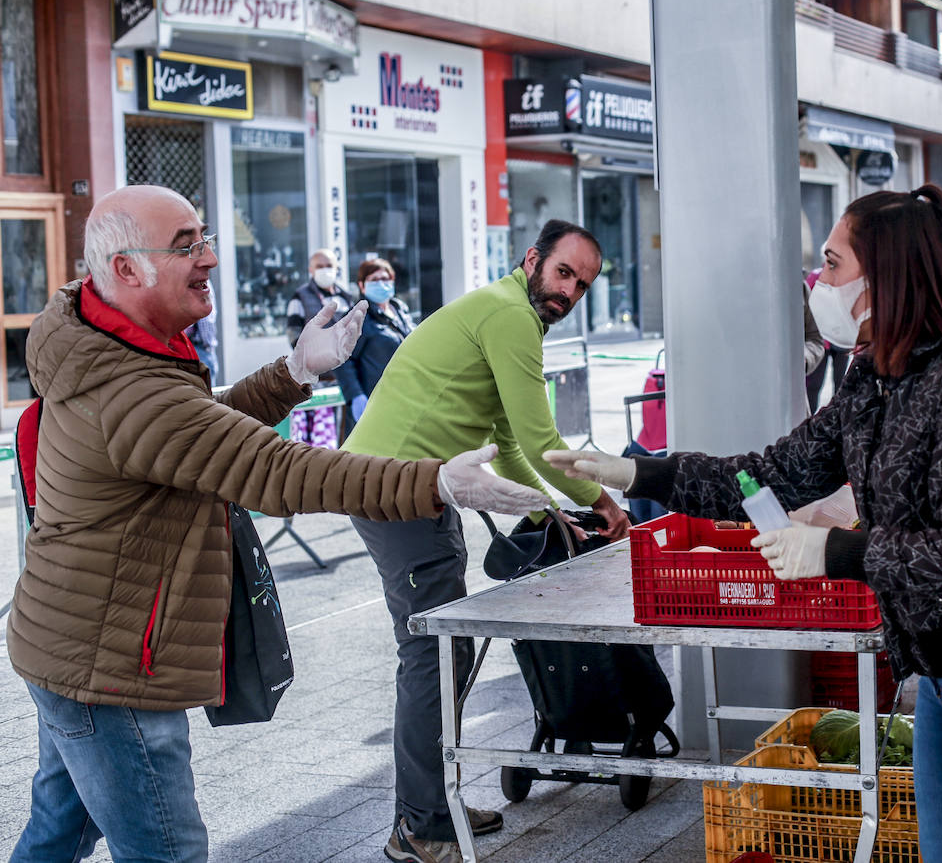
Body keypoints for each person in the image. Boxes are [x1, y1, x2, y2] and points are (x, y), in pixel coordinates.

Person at [5, 185, 549, 863]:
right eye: (185, 246)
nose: (209, 257)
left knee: (56, 835)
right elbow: (280, 471)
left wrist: (292, 371)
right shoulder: (131, 387)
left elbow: (199, 430)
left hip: (65, 644)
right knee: (167, 851)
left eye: (203, 237)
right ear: (125, 270)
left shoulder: (101, 344)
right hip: (107, 672)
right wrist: (434, 480)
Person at [549, 186, 942, 863]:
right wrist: (640, 475)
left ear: (883, 276)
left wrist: (837, 550)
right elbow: (771, 471)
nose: (819, 282)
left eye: (832, 265)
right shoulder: (877, 374)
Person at [342, 218, 632, 861]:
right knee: (433, 654)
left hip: (417, 486)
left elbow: (507, 443)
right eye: (563, 273)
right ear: (532, 260)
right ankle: (419, 825)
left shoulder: (501, 310)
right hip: (397, 491)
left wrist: (550, 507)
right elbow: (540, 441)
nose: (569, 292)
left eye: (582, 285)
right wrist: (601, 500)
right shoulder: (510, 318)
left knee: (449, 648)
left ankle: (430, 804)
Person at [286, 249, 355, 444]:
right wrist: (314, 357)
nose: (325, 270)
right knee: (322, 435)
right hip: (318, 378)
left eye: (329, 266)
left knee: (347, 430)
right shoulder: (300, 296)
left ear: (336, 268)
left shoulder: (346, 296)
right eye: (320, 266)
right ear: (311, 269)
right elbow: (293, 334)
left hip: (346, 375)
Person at [335, 257, 416, 424]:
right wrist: (356, 396)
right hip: (375, 404)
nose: (381, 283)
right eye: (374, 280)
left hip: (406, 399)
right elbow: (343, 360)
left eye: (385, 278)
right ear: (362, 285)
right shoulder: (358, 317)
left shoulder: (400, 309)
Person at [804, 266, 852, 412]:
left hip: (842, 339)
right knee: (814, 384)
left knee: (840, 382)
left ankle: (838, 415)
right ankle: (811, 416)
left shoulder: (849, 277)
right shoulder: (816, 276)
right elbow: (809, 307)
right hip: (823, 338)